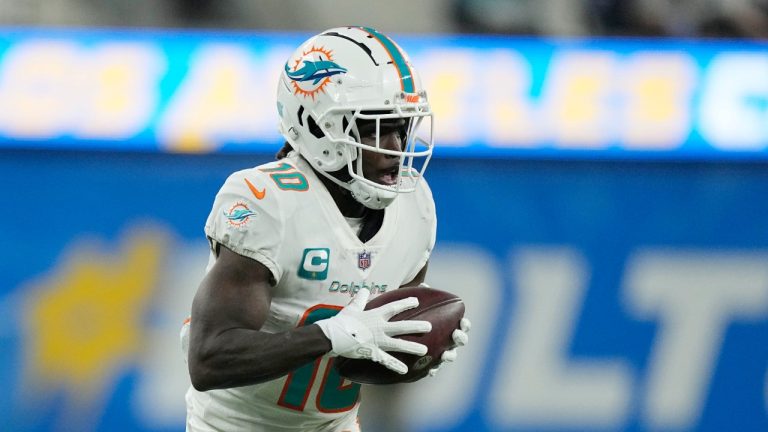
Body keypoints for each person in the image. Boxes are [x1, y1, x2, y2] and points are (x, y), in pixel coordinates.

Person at [180, 26, 471, 432]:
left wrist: (419, 353)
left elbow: (369, 358)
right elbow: (209, 359)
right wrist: (330, 335)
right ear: (317, 127)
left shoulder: (415, 206)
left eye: (402, 127)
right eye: (374, 128)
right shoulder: (267, 200)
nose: (395, 146)